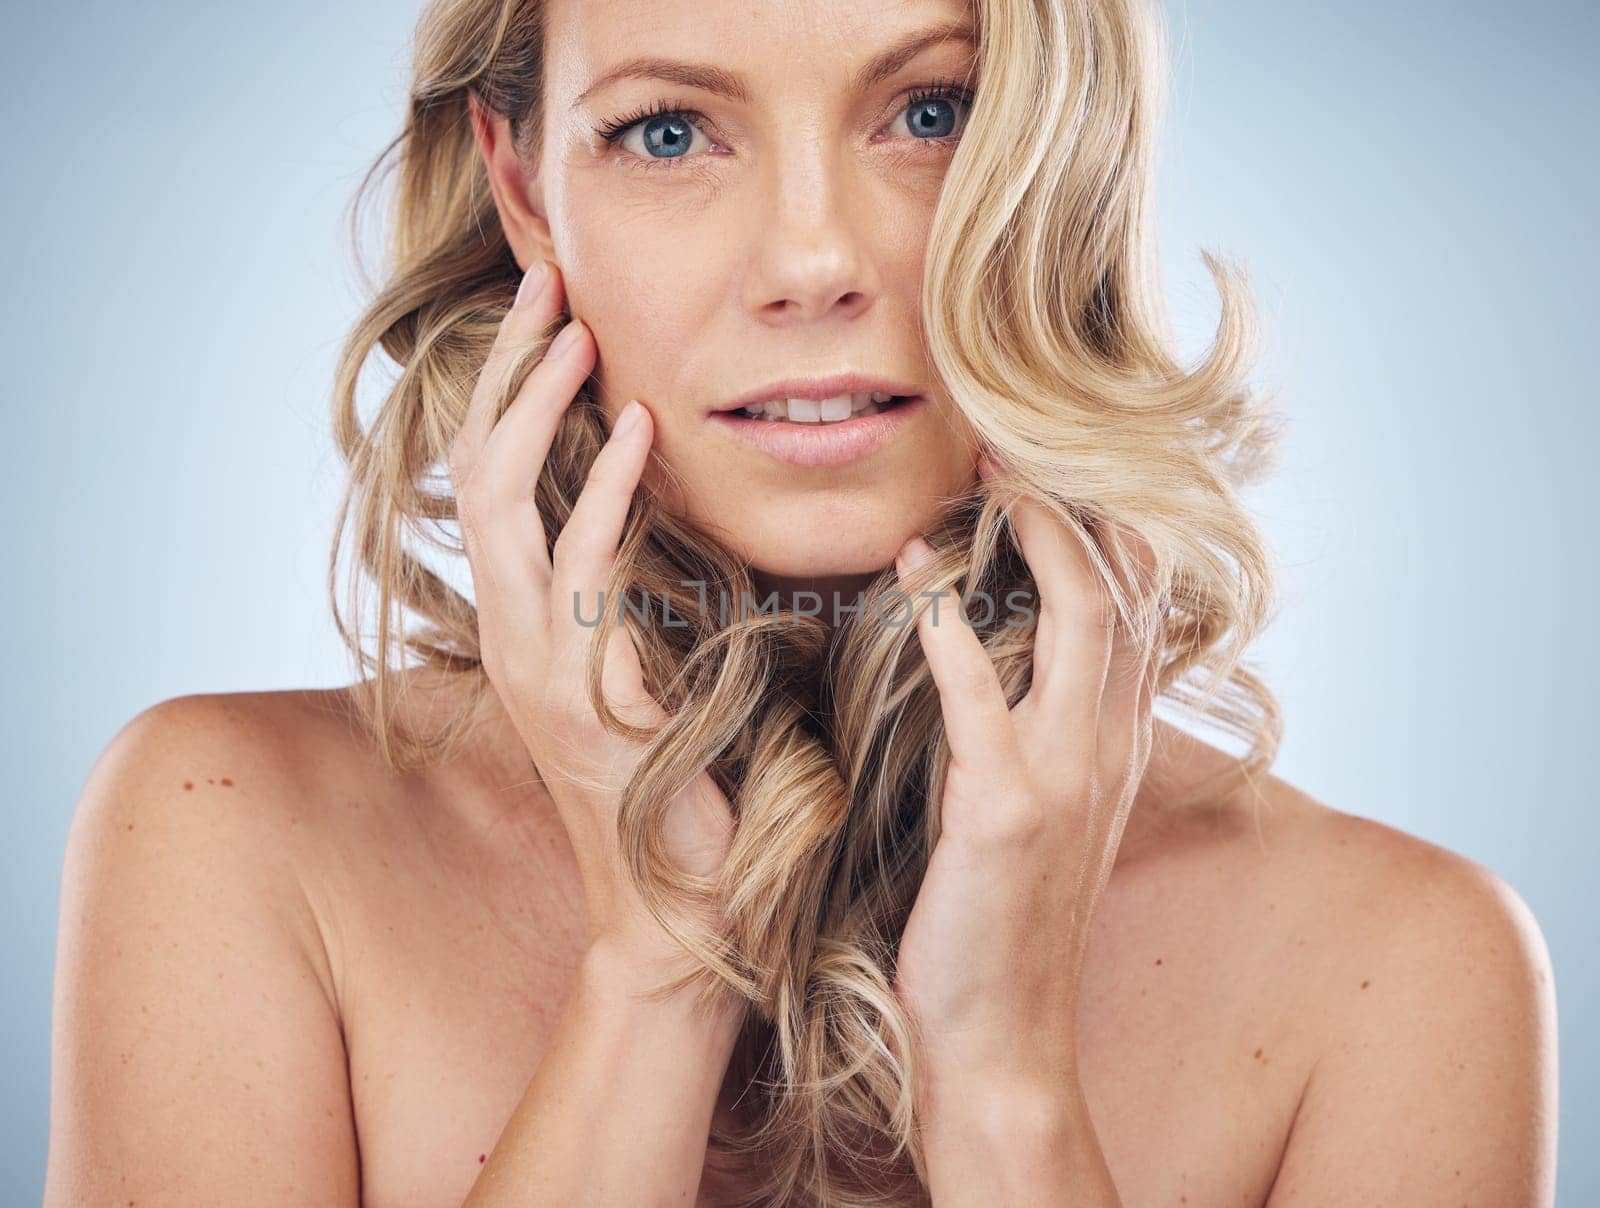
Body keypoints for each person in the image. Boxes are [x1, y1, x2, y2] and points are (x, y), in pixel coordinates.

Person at [44, 0, 1559, 1204]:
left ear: (1074, 159)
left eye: (932, 111)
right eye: (667, 131)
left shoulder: (1407, 976)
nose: (813, 259)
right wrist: (657, 966)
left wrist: (1004, 1079)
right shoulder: (234, 834)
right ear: (524, 189)